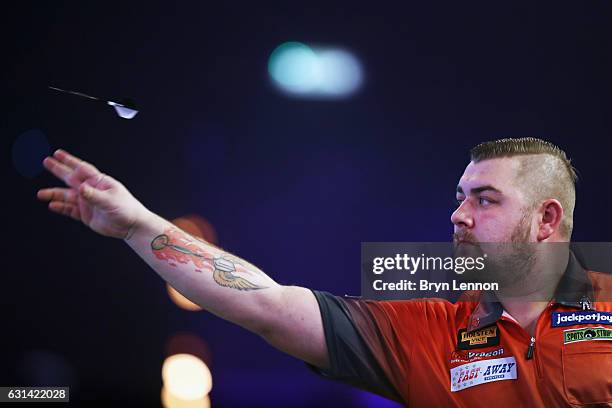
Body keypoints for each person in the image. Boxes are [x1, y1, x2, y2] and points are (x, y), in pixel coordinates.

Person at [37, 137, 611, 407]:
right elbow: (269, 305)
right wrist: (138, 224)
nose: (458, 215)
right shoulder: (431, 332)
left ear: (547, 218)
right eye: (459, 197)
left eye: (485, 199)